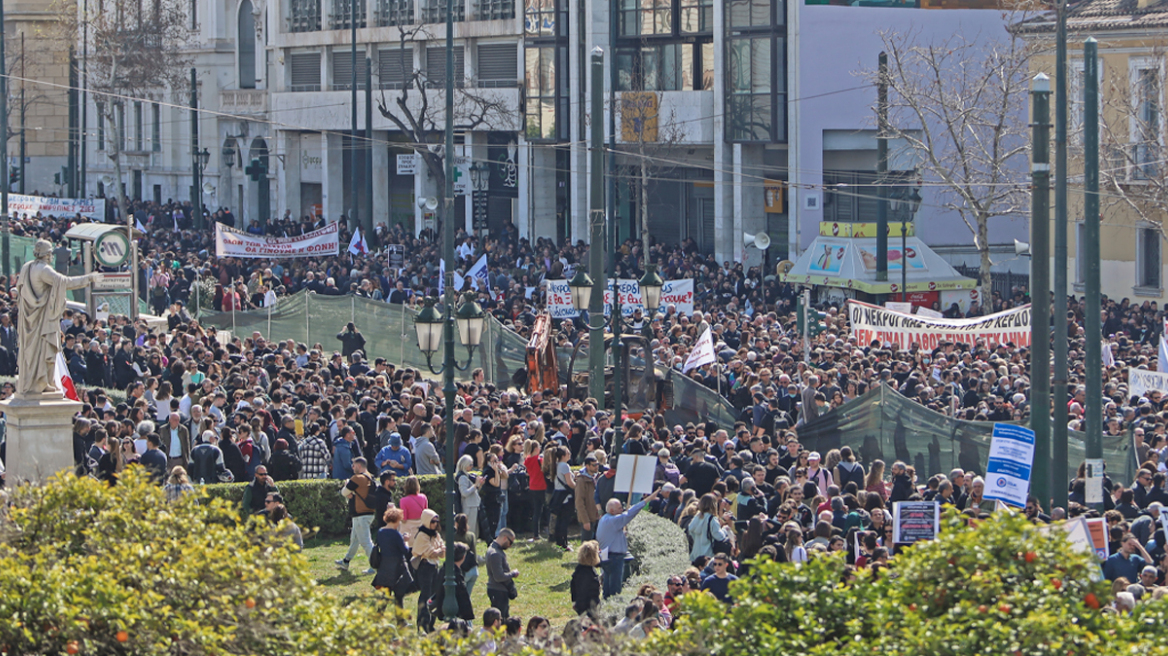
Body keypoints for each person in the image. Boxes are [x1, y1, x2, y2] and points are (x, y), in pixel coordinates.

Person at [597, 488, 661, 598]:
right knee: (615, 588)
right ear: (612, 511)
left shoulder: (605, 519)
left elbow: (611, 534)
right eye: (619, 508)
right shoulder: (614, 520)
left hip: (605, 555)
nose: (622, 509)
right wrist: (647, 500)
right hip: (614, 557)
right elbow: (630, 513)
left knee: (607, 585)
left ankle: (606, 605)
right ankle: (613, 608)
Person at [336, 457, 377, 574]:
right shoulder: (370, 477)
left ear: (359, 466)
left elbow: (344, 492)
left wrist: (347, 485)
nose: (352, 468)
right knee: (354, 540)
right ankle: (346, 561)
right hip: (368, 513)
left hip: (361, 514)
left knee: (366, 542)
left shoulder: (357, 478)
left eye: (353, 465)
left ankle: (375, 566)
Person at [412, 508, 446, 632]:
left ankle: (431, 624)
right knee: (425, 596)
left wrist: (437, 551)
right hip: (425, 568)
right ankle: (422, 625)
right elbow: (429, 552)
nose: (435, 524)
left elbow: (442, 548)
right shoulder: (422, 535)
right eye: (432, 521)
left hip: (434, 567)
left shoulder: (435, 535)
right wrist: (436, 551)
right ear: (427, 521)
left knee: (434, 595)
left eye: (437, 521)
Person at [373, 507, 415, 607]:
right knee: (399, 596)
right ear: (397, 520)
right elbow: (405, 550)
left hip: (384, 566)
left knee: (385, 596)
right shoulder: (396, 534)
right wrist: (406, 541)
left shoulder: (380, 532)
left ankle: (379, 617)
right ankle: (401, 621)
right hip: (397, 567)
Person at [427, 542, 475, 623]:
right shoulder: (456, 574)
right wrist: (468, 615)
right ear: (463, 557)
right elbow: (463, 596)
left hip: (442, 609)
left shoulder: (443, 569)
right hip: (456, 614)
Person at [485, 527, 519, 619]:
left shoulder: (494, 549)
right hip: (498, 591)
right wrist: (513, 573)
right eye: (510, 542)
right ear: (504, 538)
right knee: (501, 620)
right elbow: (498, 577)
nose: (510, 545)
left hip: (498, 590)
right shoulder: (495, 553)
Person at [687, 493, 730, 562]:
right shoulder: (712, 519)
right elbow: (719, 536)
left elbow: (690, 529)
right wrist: (725, 530)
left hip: (695, 554)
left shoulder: (697, 517)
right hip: (708, 555)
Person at [570, 540, 603, 617]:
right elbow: (587, 593)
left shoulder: (579, 571)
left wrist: (574, 602)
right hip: (588, 609)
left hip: (582, 606)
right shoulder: (588, 575)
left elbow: (573, 587)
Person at [456, 454, 485, 537]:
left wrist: (479, 484)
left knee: (475, 529)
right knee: (470, 529)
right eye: (470, 464)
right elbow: (464, 493)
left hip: (473, 504)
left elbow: (473, 491)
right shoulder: (462, 477)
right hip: (469, 506)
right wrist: (475, 485)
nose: (472, 466)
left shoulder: (467, 475)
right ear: (465, 465)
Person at [453, 513, 481, 595]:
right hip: (473, 569)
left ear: (456, 524)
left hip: (463, 571)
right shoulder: (472, 536)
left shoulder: (454, 537)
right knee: (466, 597)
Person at [399, 475, 429, 543]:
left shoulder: (403, 500)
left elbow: (404, 519)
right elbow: (426, 514)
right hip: (421, 528)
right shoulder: (423, 497)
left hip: (409, 530)